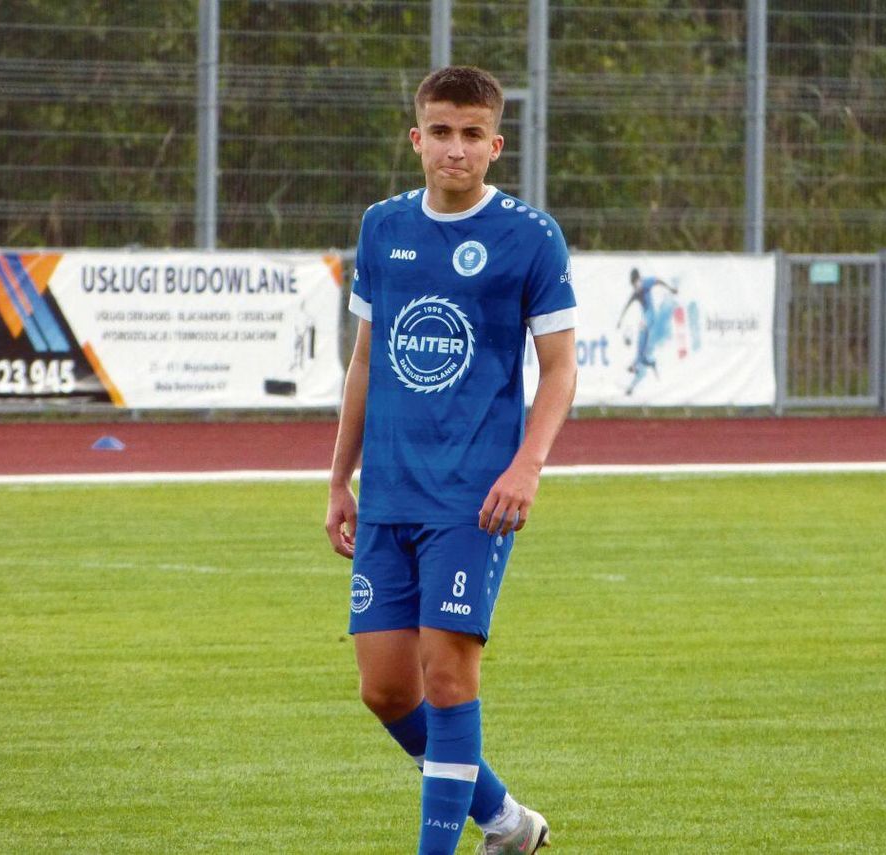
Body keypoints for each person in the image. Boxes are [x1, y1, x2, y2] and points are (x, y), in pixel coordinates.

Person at [325, 66, 577, 854]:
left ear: (496, 146)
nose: (455, 149)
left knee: (447, 679)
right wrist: (339, 475)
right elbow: (365, 360)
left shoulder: (529, 237)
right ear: (416, 139)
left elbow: (561, 368)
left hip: (473, 496)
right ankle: (506, 820)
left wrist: (527, 465)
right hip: (389, 490)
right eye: (441, 131)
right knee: (386, 689)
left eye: (472, 135)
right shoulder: (382, 226)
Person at [616, 267, 677, 395]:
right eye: (633, 285)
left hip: (651, 315)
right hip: (646, 317)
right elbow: (627, 305)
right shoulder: (635, 293)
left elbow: (658, 281)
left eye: (636, 283)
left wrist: (670, 288)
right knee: (642, 344)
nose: (636, 287)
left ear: (639, 280)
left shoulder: (646, 282)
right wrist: (620, 320)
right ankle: (646, 361)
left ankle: (637, 363)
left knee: (642, 325)